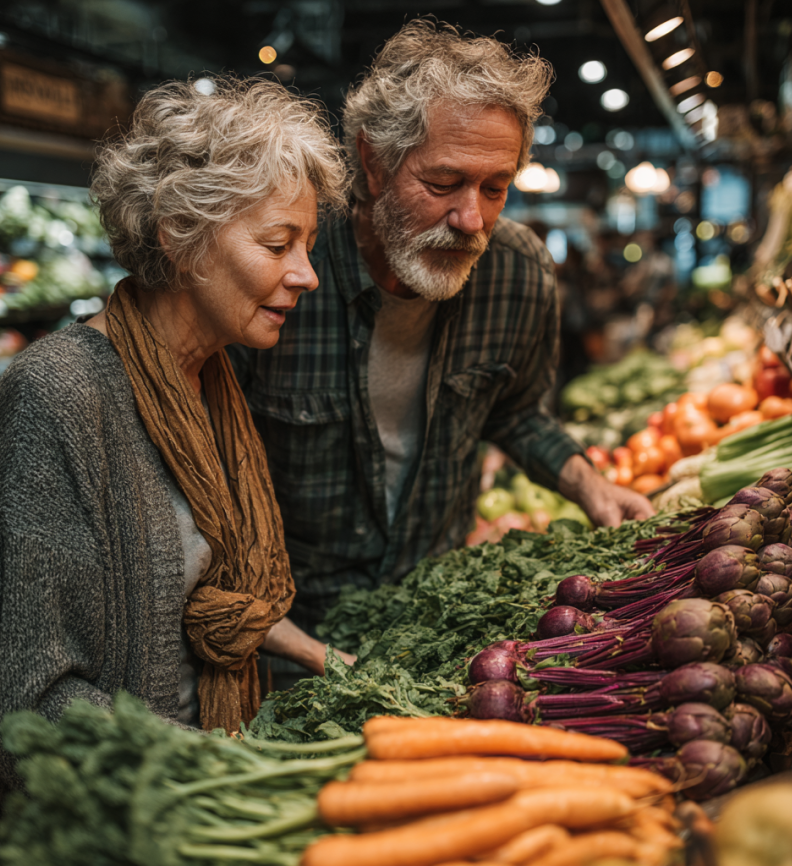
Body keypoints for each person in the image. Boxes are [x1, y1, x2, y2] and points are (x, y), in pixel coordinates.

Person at [0, 76, 351, 863]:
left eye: (308, 247)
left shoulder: (212, 382)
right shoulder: (59, 399)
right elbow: (33, 702)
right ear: (181, 234)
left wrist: (327, 661)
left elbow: (202, 599)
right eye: (278, 244)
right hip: (118, 831)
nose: (306, 274)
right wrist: (223, 781)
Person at [228, 21, 655, 681]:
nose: (473, 219)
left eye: (495, 186)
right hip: (284, 642)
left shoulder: (517, 274)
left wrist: (589, 486)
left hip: (433, 630)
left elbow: (514, 411)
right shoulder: (288, 274)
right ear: (372, 161)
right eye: (444, 182)